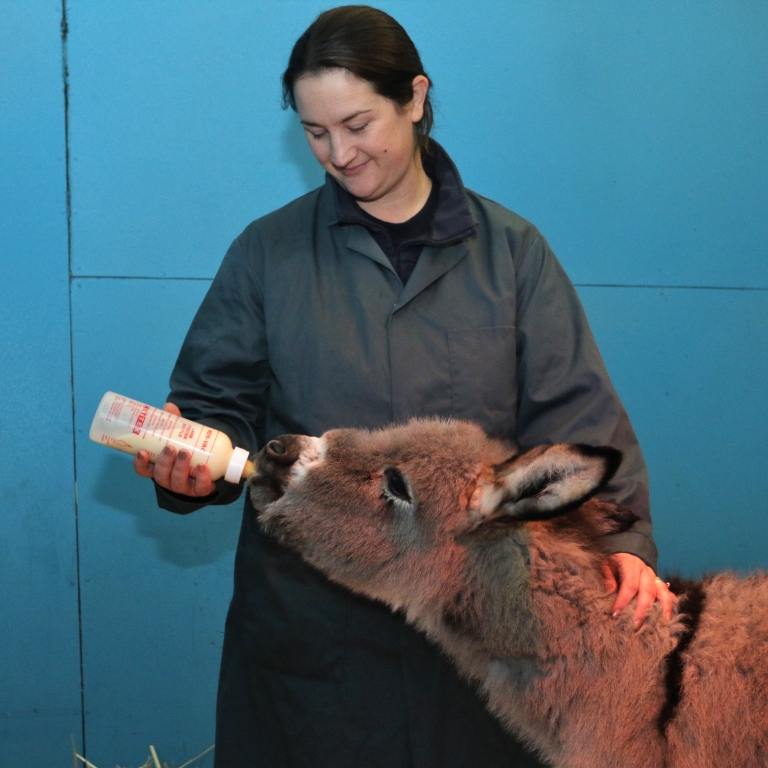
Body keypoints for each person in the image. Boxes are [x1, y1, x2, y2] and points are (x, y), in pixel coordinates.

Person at [134, 6, 676, 767]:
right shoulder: (267, 255)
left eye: (357, 124)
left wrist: (625, 547)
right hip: (316, 633)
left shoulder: (513, 257)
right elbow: (217, 409)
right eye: (316, 134)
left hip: (481, 630)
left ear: (415, 97)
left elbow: (576, 417)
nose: (339, 154)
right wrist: (190, 467)